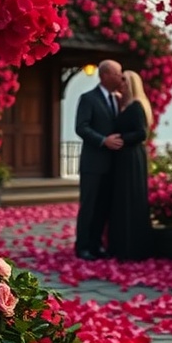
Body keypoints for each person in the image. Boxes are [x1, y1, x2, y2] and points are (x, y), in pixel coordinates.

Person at [74, 59, 124, 260]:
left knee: (103, 207)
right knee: (89, 206)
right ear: (105, 75)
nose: (120, 77)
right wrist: (103, 141)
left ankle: (97, 245)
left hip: (112, 164)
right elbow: (81, 127)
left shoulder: (118, 99)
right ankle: (83, 247)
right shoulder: (88, 98)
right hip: (93, 164)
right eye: (117, 74)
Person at [108, 70, 152, 261]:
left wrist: (121, 139)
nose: (121, 82)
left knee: (131, 199)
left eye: (124, 80)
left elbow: (142, 133)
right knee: (121, 200)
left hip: (132, 158)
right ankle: (120, 247)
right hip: (123, 158)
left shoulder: (136, 106)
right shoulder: (124, 105)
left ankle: (132, 249)